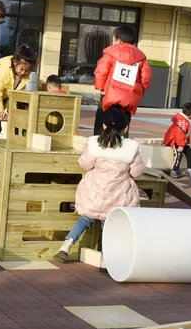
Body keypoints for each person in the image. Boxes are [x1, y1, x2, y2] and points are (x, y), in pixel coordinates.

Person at [54, 108, 145, 263]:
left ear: (104, 125)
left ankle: (65, 246)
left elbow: (85, 164)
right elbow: (137, 172)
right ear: (126, 128)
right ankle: (105, 257)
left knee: (85, 219)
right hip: (118, 194)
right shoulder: (131, 148)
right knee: (109, 224)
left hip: (94, 192)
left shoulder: (94, 143)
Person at [93, 25, 151, 135]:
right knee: (123, 122)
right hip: (129, 99)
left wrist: (100, 88)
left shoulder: (110, 54)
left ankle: (99, 142)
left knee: (102, 121)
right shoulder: (141, 59)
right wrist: (139, 92)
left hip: (109, 95)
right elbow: (146, 78)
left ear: (118, 40)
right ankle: (122, 142)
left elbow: (101, 71)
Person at [163, 102, 191, 180]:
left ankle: (190, 169)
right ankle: (174, 170)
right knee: (178, 154)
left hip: (180, 140)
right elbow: (180, 134)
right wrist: (181, 145)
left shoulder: (183, 119)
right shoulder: (182, 121)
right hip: (174, 140)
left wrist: (185, 143)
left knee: (190, 153)